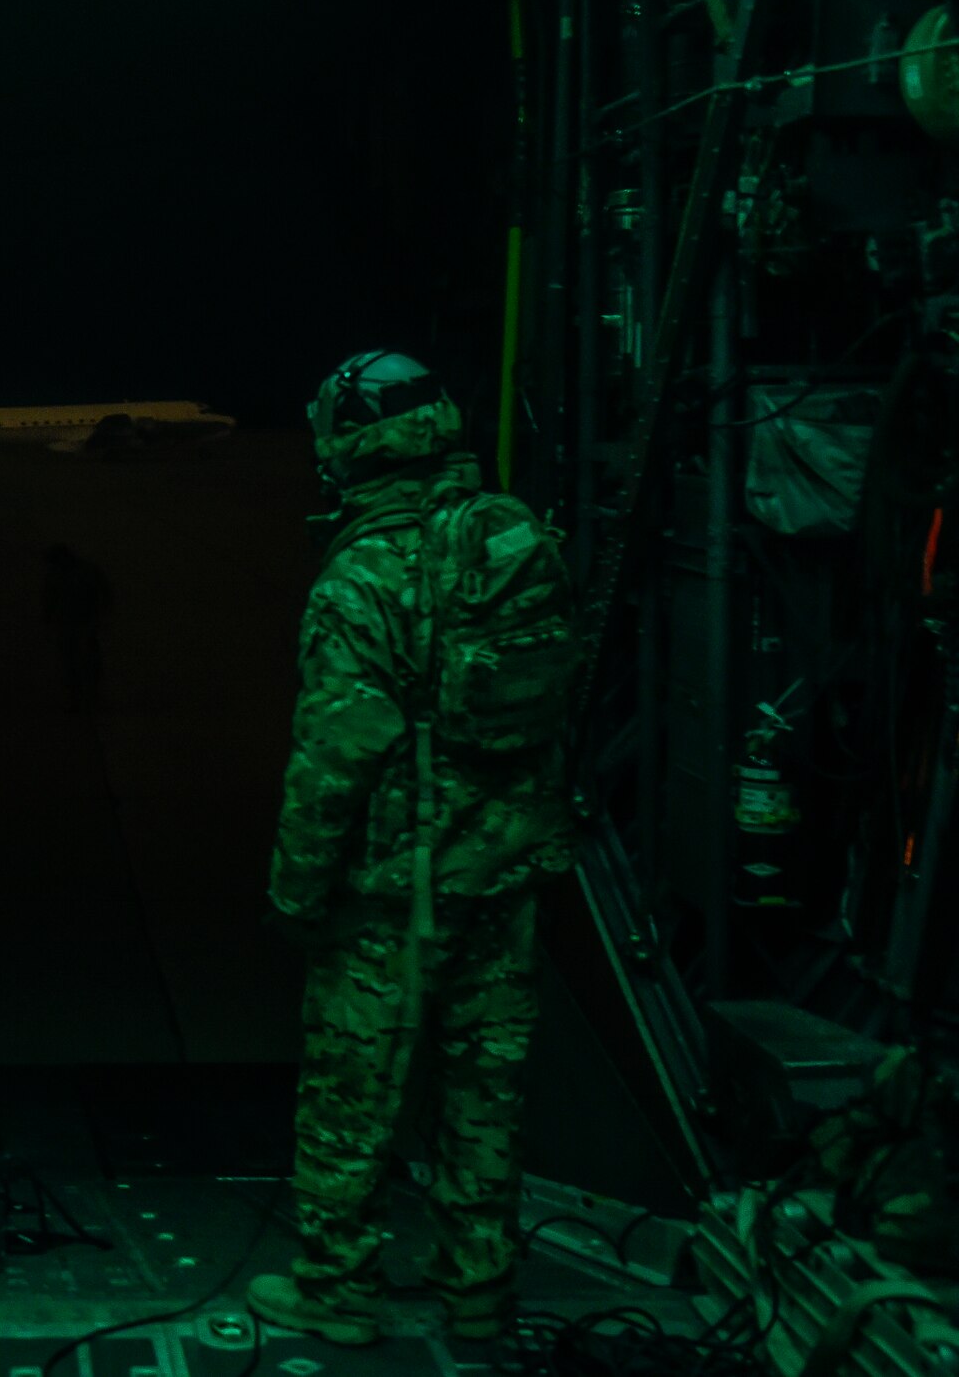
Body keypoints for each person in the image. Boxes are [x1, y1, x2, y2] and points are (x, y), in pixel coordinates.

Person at [251, 350, 580, 1348]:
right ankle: (478, 1289)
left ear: (346, 448)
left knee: (353, 1092)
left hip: (397, 888)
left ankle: (336, 1289)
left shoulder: (361, 574)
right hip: (506, 874)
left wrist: (296, 891)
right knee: (484, 1085)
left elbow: (336, 752)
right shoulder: (513, 538)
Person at [42, 544, 112, 713]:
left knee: (82, 660)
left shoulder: (67, 573)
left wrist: (48, 617)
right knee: (78, 660)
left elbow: (51, 598)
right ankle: (83, 698)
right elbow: (105, 593)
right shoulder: (83, 571)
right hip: (77, 622)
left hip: (81, 622)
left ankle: (83, 698)